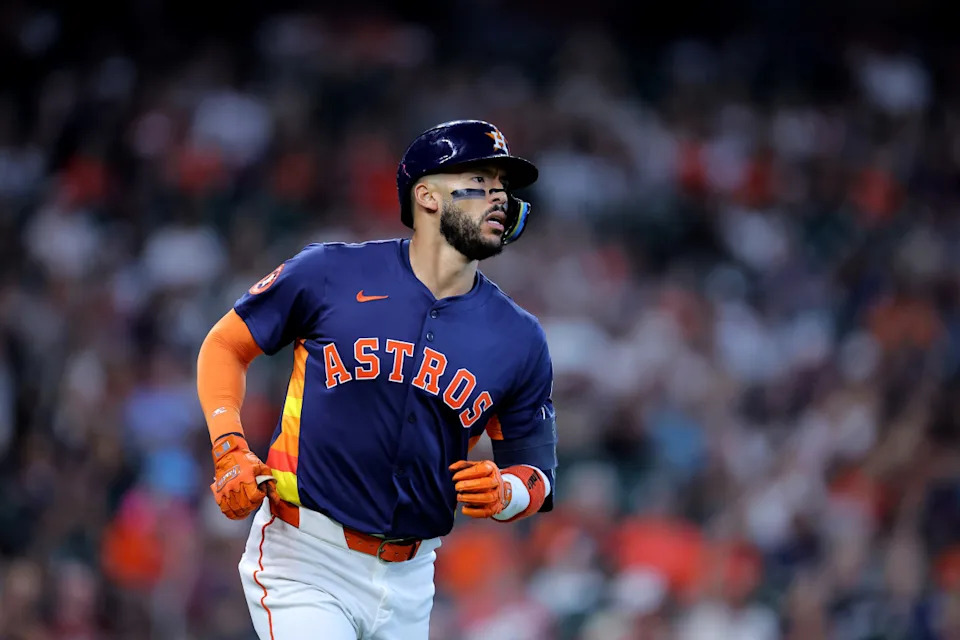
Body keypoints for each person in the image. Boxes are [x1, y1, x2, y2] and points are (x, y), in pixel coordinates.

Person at [196, 119, 558, 639]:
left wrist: (507, 492)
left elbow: (537, 473)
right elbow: (225, 345)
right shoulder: (329, 272)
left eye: (503, 188)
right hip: (305, 558)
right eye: (480, 182)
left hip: (413, 581)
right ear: (427, 196)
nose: (499, 198)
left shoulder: (520, 336)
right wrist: (229, 445)